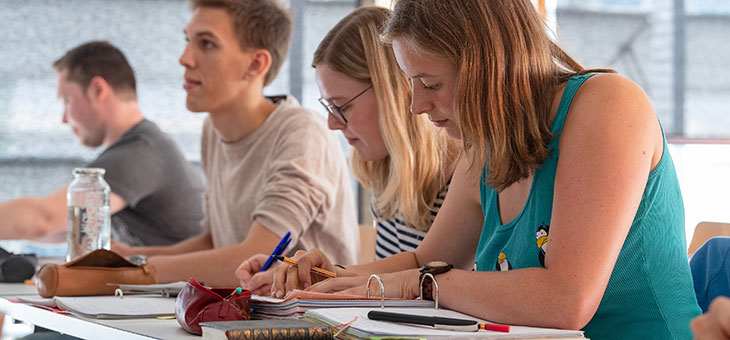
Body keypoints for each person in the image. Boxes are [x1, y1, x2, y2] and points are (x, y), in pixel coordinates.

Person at [270, 1, 701, 339]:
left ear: (488, 65)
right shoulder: (483, 145)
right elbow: (426, 260)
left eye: (431, 84)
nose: (417, 106)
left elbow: (566, 299)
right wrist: (329, 278)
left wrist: (415, 284)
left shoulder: (608, 104)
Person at [112, 0, 359, 287]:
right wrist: (132, 257)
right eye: (187, 41)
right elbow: (215, 243)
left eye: (206, 44)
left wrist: (133, 273)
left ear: (256, 64)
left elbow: (254, 257)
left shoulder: (301, 132)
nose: (184, 58)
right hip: (247, 315)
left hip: (311, 321)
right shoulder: (213, 131)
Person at [234, 6, 457, 295]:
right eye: (328, 107)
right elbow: (395, 283)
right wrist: (321, 278)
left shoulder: (463, 177)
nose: (331, 123)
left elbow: (422, 278)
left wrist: (332, 279)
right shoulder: (389, 176)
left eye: (341, 106)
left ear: (393, 93)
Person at [0, 41, 204, 246]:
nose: (63, 118)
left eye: (67, 101)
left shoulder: (138, 154)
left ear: (98, 90)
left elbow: (45, 220)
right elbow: (61, 227)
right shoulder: (142, 147)